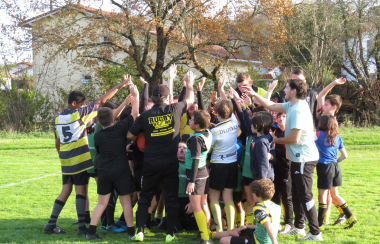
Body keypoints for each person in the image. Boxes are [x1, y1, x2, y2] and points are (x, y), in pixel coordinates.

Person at [240, 78, 322, 241]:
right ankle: (299, 227)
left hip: (304, 158)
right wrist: (254, 93)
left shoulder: (298, 109)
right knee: (298, 193)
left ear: (293, 91)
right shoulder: (291, 105)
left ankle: (315, 232)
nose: (283, 90)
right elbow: (271, 106)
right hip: (297, 158)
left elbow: (295, 138)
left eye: (286, 87)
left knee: (305, 195)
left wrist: (274, 140)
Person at [44, 79, 129, 235]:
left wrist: (61, 155)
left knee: (65, 190)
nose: (84, 107)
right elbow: (102, 101)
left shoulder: (57, 119)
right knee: (81, 191)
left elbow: (57, 142)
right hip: (79, 158)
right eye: (82, 104)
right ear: (75, 104)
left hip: (65, 159)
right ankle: (82, 227)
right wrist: (119, 85)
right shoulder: (78, 114)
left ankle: (51, 224)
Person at [127, 71, 195, 242]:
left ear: (154, 98)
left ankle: (140, 231)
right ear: (167, 97)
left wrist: (145, 136)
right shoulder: (174, 108)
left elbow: (129, 135)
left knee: (146, 196)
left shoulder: (145, 115)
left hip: (150, 162)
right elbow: (190, 100)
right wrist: (189, 84)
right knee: (171, 198)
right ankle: (170, 234)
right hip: (170, 162)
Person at [86, 83, 140, 240]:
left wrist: (125, 101)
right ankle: (131, 233)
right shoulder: (120, 129)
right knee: (126, 203)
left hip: (104, 171)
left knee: (101, 203)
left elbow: (111, 117)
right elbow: (135, 114)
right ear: (113, 118)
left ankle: (91, 232)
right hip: (121, 171)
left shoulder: (97, 136)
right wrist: (134, 97)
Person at [315, 115, 357, 229]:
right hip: (335, 167)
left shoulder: (318, 134)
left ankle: (318, 224)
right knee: (335, 194)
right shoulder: (337, 137)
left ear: (322, 123)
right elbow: (345, 155)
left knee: (322, 196)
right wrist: (335, 162)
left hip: (324, 167)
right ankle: (350, 216)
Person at [209, 77, 239, 232]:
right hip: (232, 164)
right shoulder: (234, 123)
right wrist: (222, 90)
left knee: (214, 197)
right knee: (228, 198)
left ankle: (220, 229)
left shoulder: (214, 131)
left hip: (218, 165)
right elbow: (227, 105)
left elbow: (209, 149)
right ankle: (232, 228)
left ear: (216, 113)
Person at [210, 178, 280, 244]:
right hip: (258, 235)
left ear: (260, 196)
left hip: (257, 241)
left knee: (223, 240)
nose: (252, 194)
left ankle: (209, 235)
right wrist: (248, 226)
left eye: (254, 193)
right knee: (238, 231)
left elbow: (269, 226)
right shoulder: (276, 206)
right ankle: (211, 235)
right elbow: (264, 227)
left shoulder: (259, 208)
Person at [316, 77, 347, 226]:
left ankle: (327, 217)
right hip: (330, 163)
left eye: (327, 104)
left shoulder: (330, 121)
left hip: (326, 163)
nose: (323, 105)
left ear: (333, 108)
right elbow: (321, 95)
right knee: (329, 192)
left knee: (327, 193)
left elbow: (321, 96)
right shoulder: (324, 115)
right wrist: (334, 83)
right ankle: (338, 215)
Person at [185, 110, 213, 244]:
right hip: (204, 173)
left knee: (196, 207)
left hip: (196, 175)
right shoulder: (207, 132)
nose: (189, 121)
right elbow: (203, 117)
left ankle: (205, 239)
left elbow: (195, 160)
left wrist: (191, 182)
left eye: (191, 120)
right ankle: (205, 234)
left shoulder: (196, 139)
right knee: (203, 204)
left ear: (196, 125)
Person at [270, 113, 294, 234]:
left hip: (288, 168)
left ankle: (289, 223)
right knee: (275, 196)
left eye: (284, 117)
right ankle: (277, 222)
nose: (281, 118)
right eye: (279, 117)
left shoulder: (291, 133)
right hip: (276, 168)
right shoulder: (275, 131)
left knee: (287, 197)